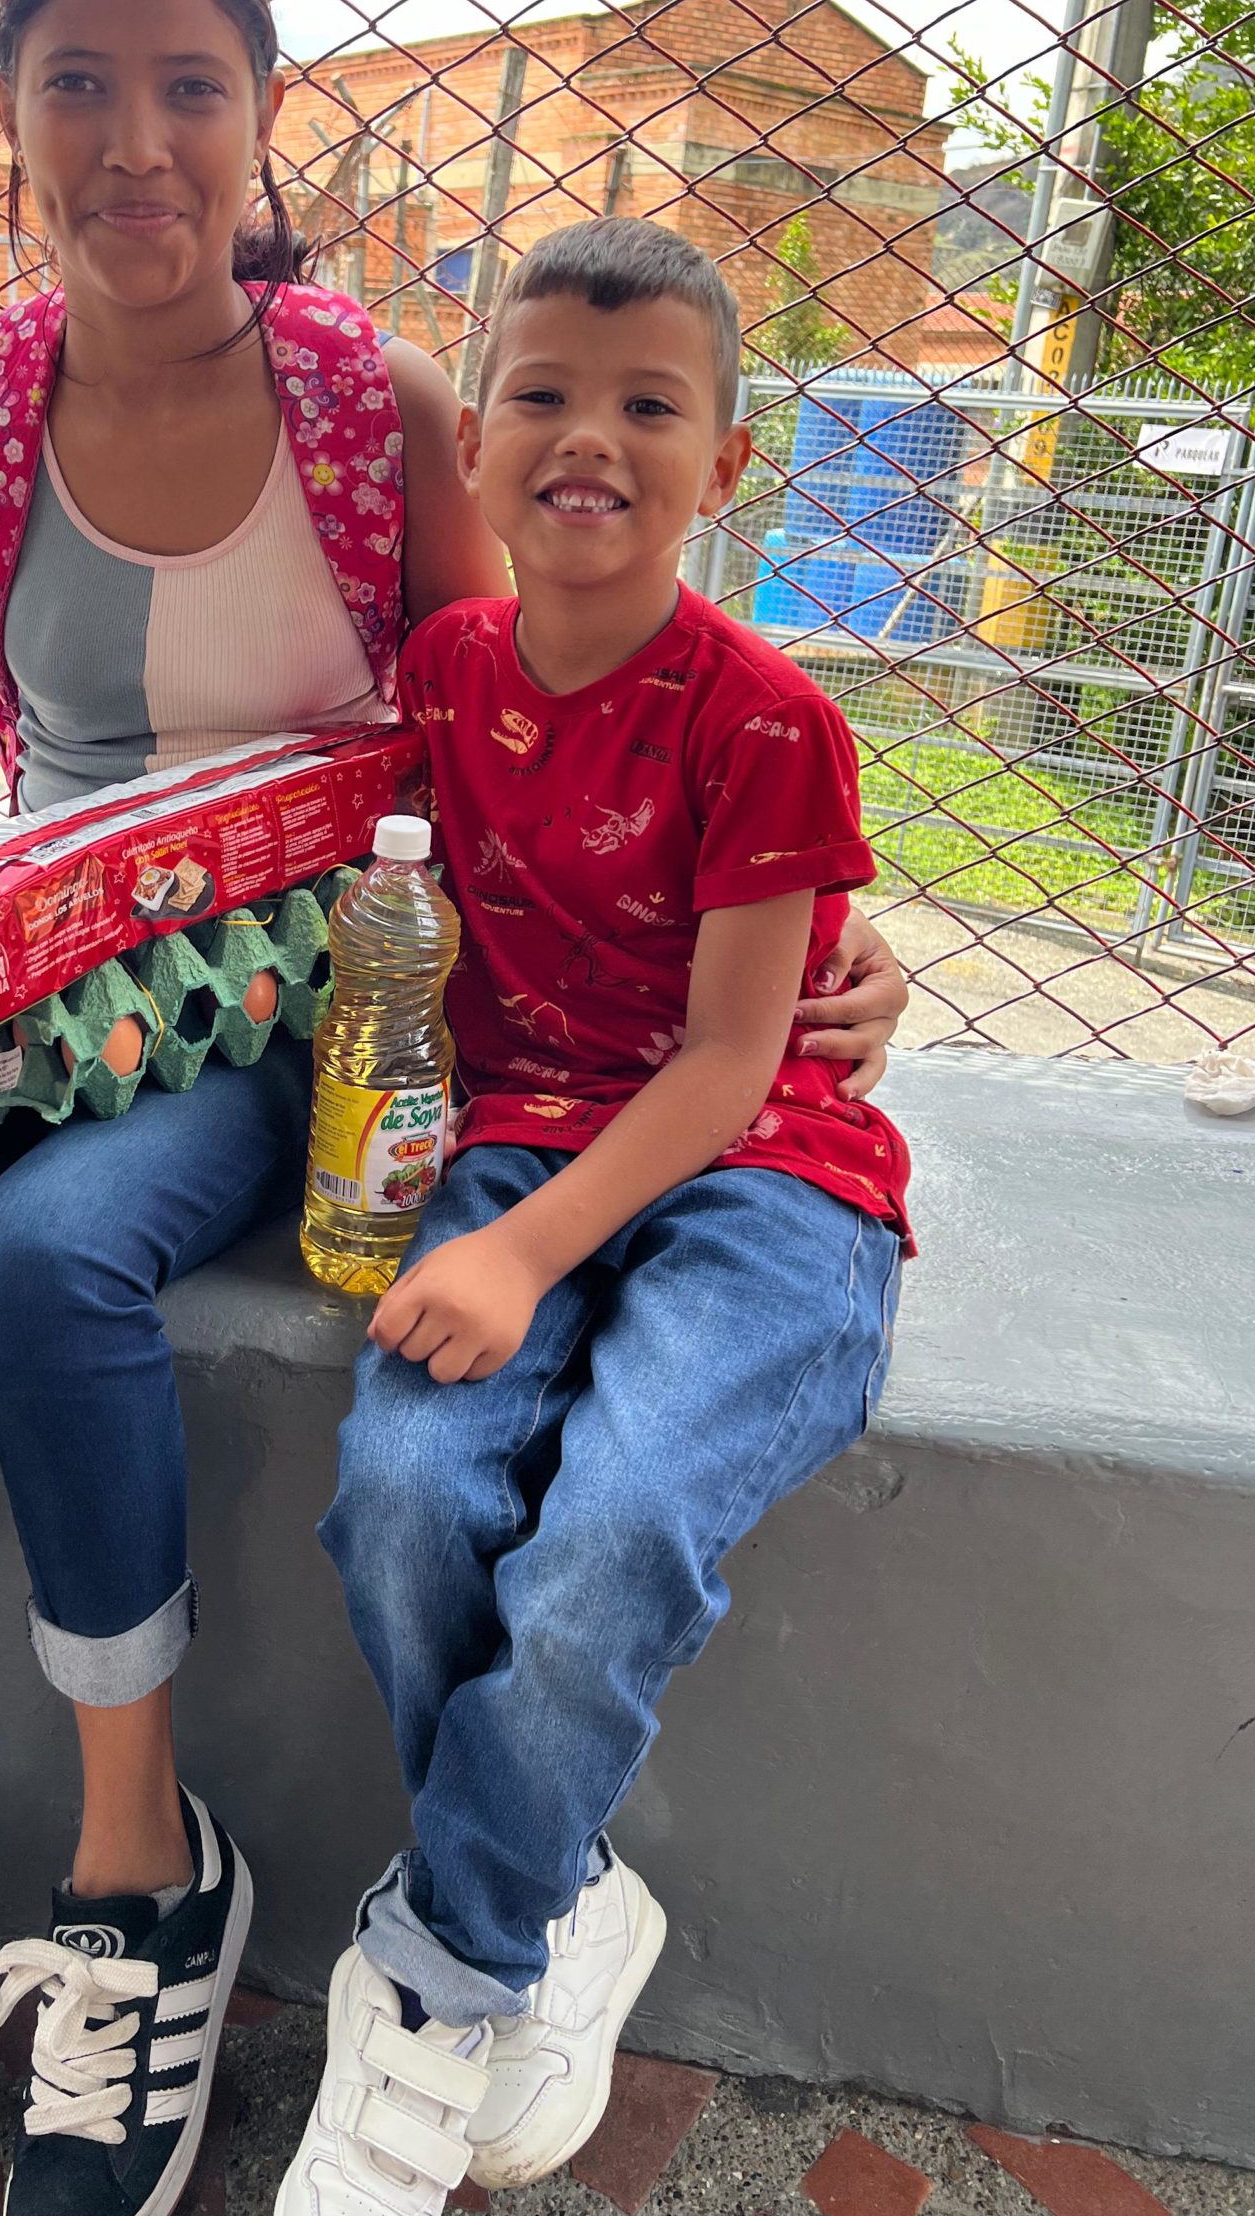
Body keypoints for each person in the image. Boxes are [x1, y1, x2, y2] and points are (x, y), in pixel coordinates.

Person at [0, 0, 910, 2216]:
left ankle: (146, 1877)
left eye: (191, 88)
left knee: (44, 1273)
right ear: (9, 113)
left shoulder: (379, 400)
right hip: (39, 999)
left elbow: (542, 727)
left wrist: (821, 941)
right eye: (82, 86)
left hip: (279, 1003)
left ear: (260, 117)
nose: (138, 139)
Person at [275, 217, 915, 2216]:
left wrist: (522, 1245)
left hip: (764, 1182)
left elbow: (733, 1065)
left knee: (619, 1523)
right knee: (401, 1494)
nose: (591, 437)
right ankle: (561, 1876)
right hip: (511, 1152)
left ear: (727, 464)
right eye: (543, 392)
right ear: (473, 444)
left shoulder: (764, 717)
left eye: (653, 404)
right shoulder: (446, 674)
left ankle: (440, 1978)